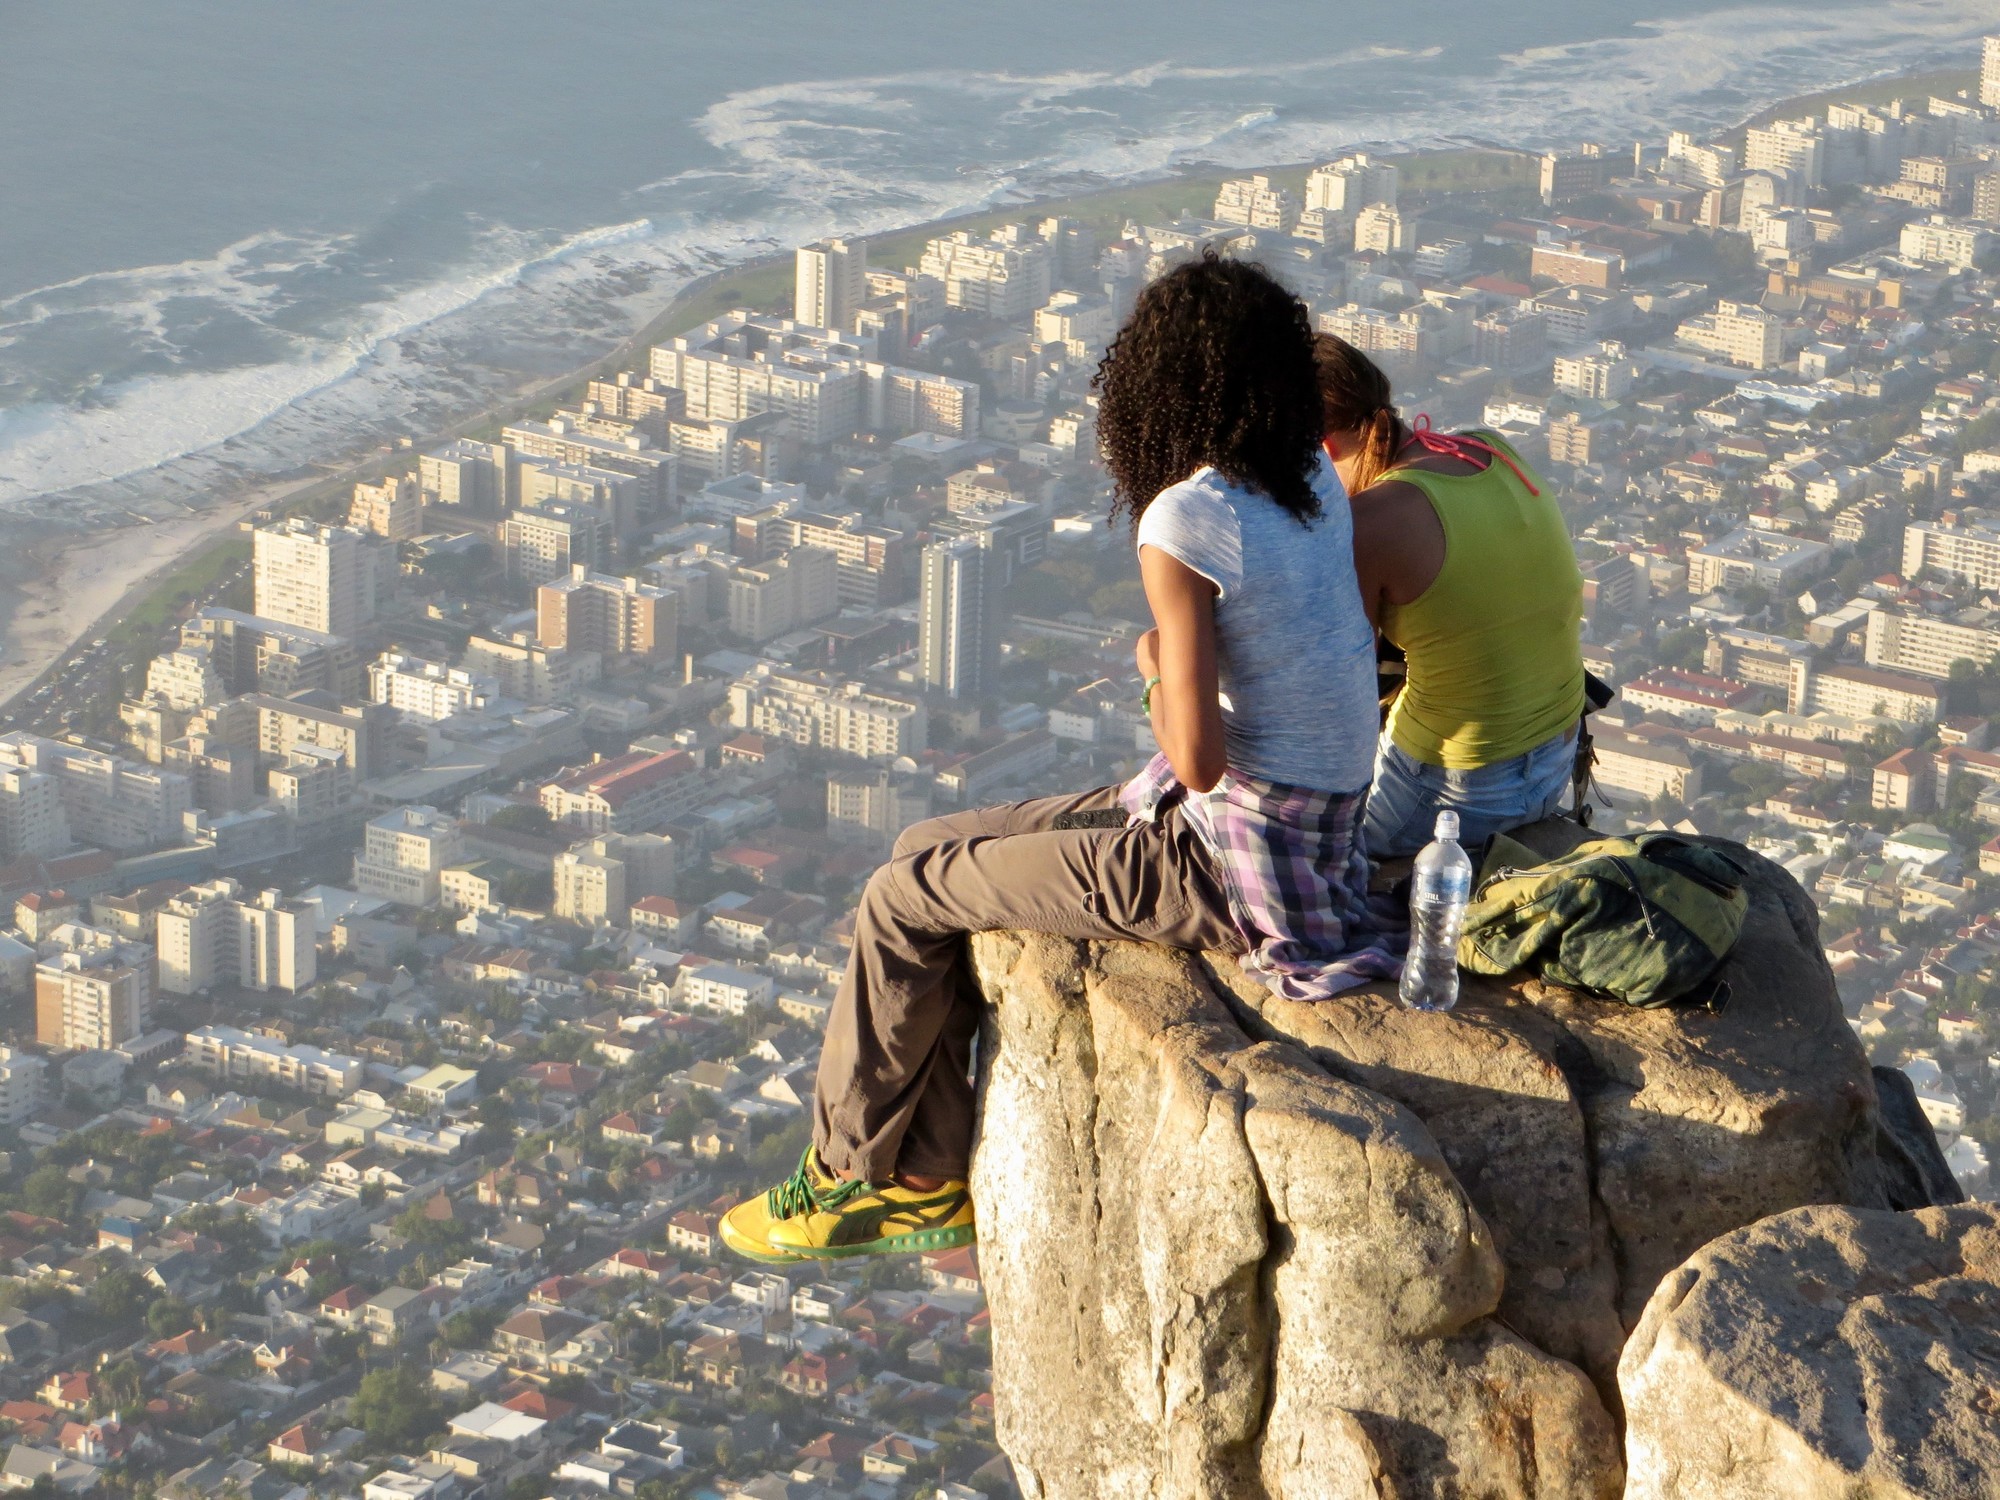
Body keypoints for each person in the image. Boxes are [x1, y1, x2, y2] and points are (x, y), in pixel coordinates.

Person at [719, 256, 1398, 1265]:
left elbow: (1199, 757)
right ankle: (926, 1169)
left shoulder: (1186, 518)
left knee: (901, 900)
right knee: (921, 847)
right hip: (1316, 824)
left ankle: (856, 1175)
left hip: (1228, 859)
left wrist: (1151, 668)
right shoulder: (1307, 476)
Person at [1313, 334, 1587, 858]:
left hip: (1454, 794)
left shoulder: (1369, 523)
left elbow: (1338, 693)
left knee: (1324, 860)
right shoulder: (1489, 447)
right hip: (1555, 759)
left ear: (1323, 448)